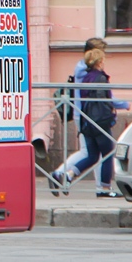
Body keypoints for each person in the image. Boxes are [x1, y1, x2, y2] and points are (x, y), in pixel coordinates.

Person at [53, 48, 129, 198]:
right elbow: (105, 100)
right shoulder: (100, 78)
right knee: (108, 153)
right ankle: (105, 189)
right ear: (99, 62)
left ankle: (67, 175)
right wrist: (121, 106)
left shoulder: (85, 77)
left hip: (86, 121)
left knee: (92, 156)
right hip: (99, 122)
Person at [51, 37, 108, 194]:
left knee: (95, 152)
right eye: (101, 52)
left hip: (84, 113)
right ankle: (60, 174)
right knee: (89, 152)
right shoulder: (85, 70)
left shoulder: (82, 67)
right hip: (85, 114)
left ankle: (100, 186)